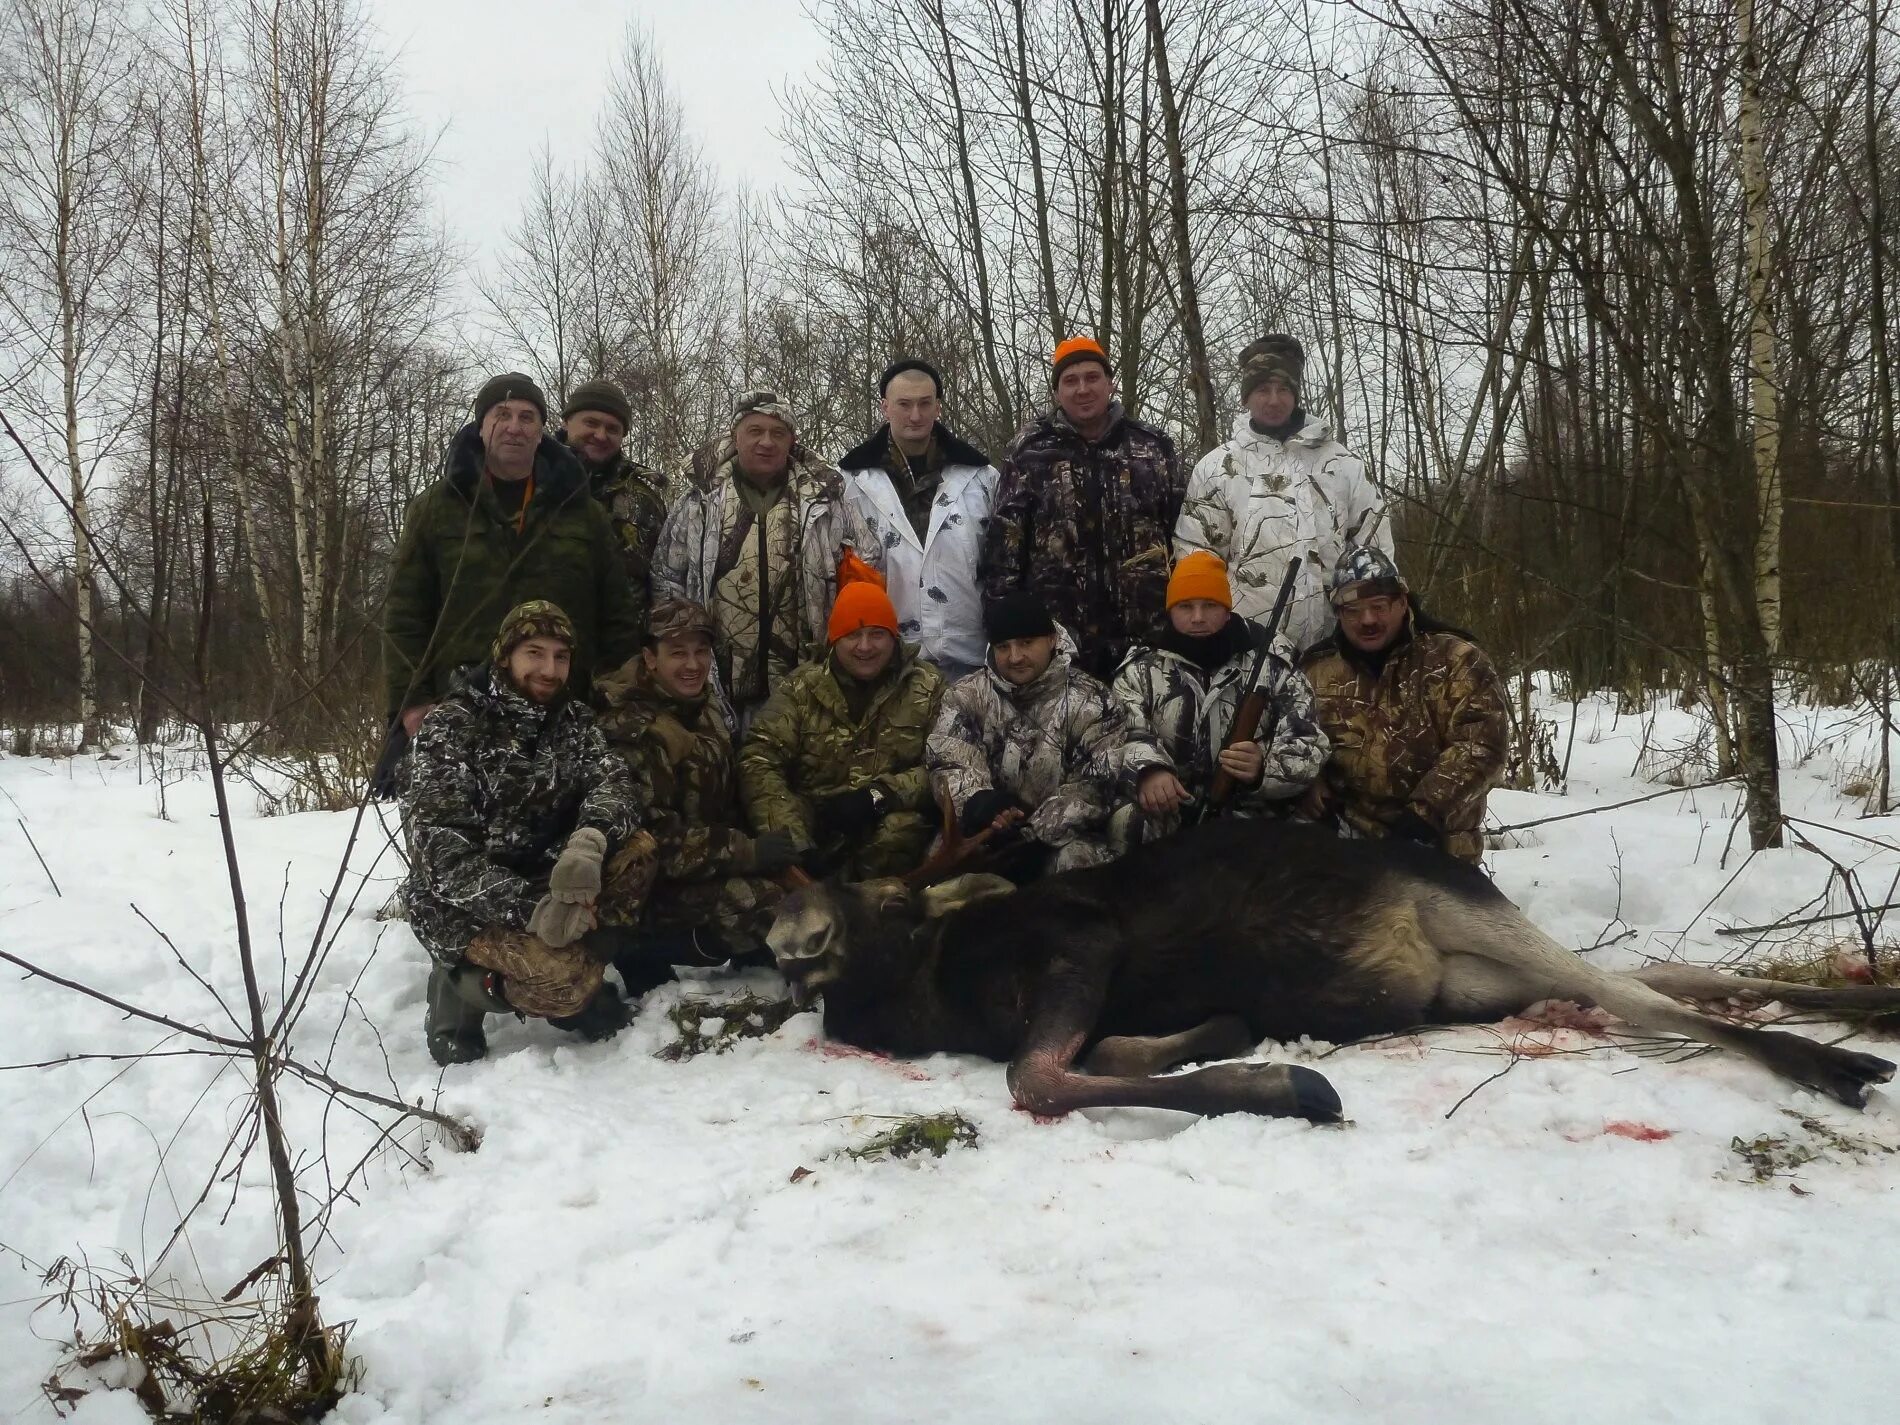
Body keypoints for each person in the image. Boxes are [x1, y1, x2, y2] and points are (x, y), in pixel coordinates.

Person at [402, 601, 652, 1065]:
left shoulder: (573, 720)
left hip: (548, 880)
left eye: (561, 656)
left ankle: (575, 980)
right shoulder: (452, 727)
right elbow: (443, 859)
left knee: (638, 852)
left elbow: (615, 781)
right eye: (534, 653)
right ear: (505, 656)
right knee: (562, 982)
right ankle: (461, 987)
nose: (549, 669)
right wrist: (531, 909)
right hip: (462, 904)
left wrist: (589, 840)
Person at [379, 373, 643, 791]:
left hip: (562, 708)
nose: (515, 427)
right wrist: (411, 703)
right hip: (463, 707)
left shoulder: (579, 511)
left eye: (527, 417)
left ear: (542, 432)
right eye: (502, 415)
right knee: (459, 840)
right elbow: (404, 616)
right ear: (481, 425)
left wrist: (616, 697)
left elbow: (617, 615)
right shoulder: (437, 508)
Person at [592, 599, 803, 995]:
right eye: (677, 653)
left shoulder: (701, 705)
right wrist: (747, 852)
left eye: (701, 651)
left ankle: (745, 946)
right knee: (762, 905)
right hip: (644, 886)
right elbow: (652, 842)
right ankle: (638, 949)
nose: (692, 665)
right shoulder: (631, 730)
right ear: (649, 658)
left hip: (699, 862)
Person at [652, 390, 879, 728]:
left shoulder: (826, 501)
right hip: (715, 678)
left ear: (792, 440)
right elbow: (666, 578)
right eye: (755, 431)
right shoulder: (699, 500)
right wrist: (685, 653)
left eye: (778, 433)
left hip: (806, 677)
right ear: (735, 436)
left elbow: (867, 566)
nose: (766, 442)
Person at [980, 337, 1184, 681]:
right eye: (1070, 381)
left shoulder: (1152, 446)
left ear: (1110, 383)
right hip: (1057, 642)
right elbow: (1004, 550)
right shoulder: (1030, 449)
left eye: (1092, 377)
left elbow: (1180, 537)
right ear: (1057, 391)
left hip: (1147, 639)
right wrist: (1006, 629)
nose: (1082, 389)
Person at [1175, 335, 1391, 654]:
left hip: (1336, 647)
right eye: (1263, 389)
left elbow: (1375, 551)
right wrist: (1217, 636)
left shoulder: (1342, 465)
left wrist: (1366, 625)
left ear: (1296, 394)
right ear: (1246, 397)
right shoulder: (1218, 468)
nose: (1274, 400)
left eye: (1283, 389)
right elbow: (1196, 558)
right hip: (1245, 650)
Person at [1298, 546, 1509, 864]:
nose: (1367, 620)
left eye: (1378, 606)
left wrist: (1423, 816)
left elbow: (1482, 746)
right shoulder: (1316, 670)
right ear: (1339, 615)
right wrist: (1308, 781)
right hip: (1344, 850)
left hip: (1438, 849)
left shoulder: (1456, 660)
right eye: (1353, 611)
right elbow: (1294, 738)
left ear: (1402, 601)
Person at [1110, 551, 1329, 847]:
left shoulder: (1273, 663)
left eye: (1210, 605)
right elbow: (1122, 734)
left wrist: (1263, 767)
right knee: (1127, 820)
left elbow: (1309, 740)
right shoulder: (1140, 669)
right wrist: (1149, 770)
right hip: (1174, 812)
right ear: (1170, 610)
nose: (1197, 617)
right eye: (1185, 606)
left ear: (1227, 610)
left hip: (1253, 815)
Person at [738, 570, 945, 878]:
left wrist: (879, 796)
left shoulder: (927, 687)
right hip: (816, 824)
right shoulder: (801, 687)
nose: (865, 647)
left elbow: (946, 766)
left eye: (876, 634)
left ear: (893, 636)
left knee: (902, 829)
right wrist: (794, 843)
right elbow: (758, 758)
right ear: (834, 640)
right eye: (852, 635)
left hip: (888, 828)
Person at [926, 592, 1133, 879]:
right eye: (1003, 646)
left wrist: (1031, 835)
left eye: (1026, 643)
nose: (1015, 657)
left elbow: (1093, 786)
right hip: (983, 832)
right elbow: (949, 761)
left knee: (1077, 865)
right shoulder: (964, 696)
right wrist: (978, 802)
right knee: (939, 862)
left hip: (1058, 840)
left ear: (1051, 640)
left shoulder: (1094, 701)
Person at [838, 358, 998, 682]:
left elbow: (1002, 567)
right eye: (904, 404)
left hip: (971, 659)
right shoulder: (848, 483)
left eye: (925, 403)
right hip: (885, 664)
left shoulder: (981, 479)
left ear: (938, 406)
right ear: (885, 407)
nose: (915, 415)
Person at [559, 377, 672, 604]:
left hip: (626, 635)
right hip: (543, 634)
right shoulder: (534, 480)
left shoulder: (644, 499)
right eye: (591, 423)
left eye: (612, 428)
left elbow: (662, 581)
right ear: (566, 422)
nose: (601, 435)